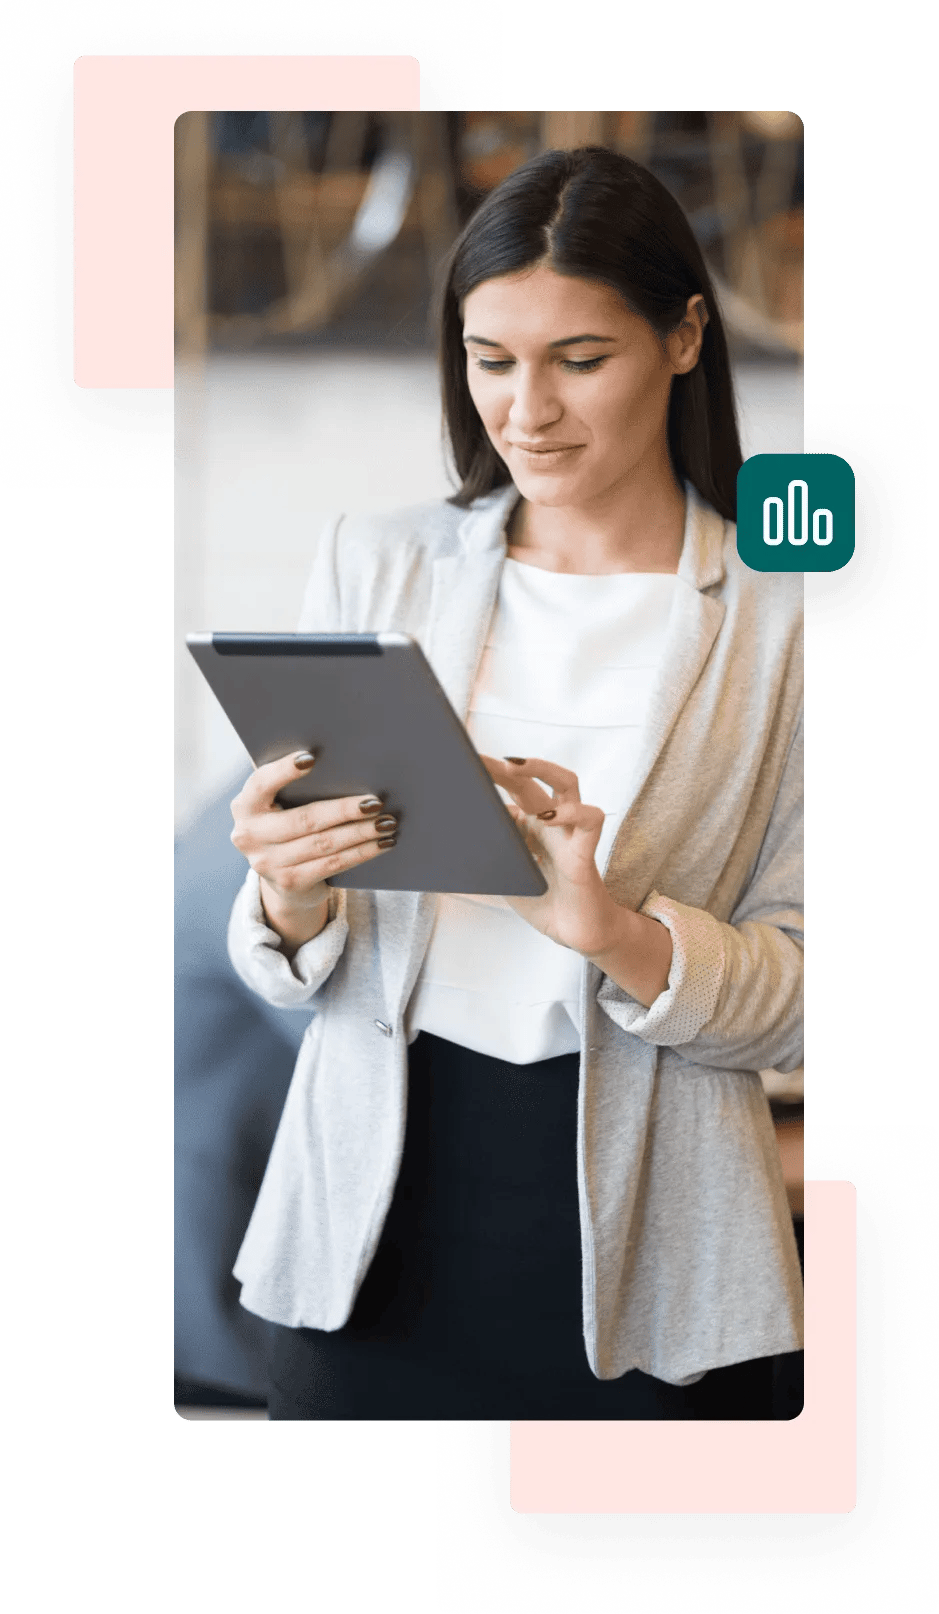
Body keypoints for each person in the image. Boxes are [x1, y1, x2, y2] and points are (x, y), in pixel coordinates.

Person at [225, 146, 804, 1421]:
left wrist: (619, 936)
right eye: (492, 360)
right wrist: (286, 892)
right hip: (366, 1217)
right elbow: (285, 954)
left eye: (579, 360)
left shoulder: (789, 619)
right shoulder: (376, 563)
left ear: (687, 336)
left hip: (658, 1253)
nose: (526, 409)